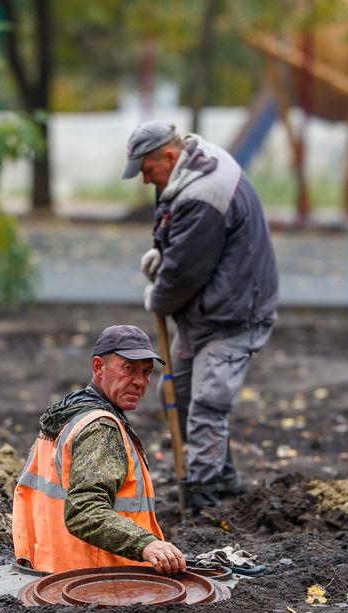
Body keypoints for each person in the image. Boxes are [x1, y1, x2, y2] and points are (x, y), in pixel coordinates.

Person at [123, 121, 279, 514]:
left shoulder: (203, 193)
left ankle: (204, 498)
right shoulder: (191, 166)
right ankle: (222, 476)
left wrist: (159, 296)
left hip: (234, 313)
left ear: (169, 155)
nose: (145, 179)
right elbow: (183, 239)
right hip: (210, 308)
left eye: (147, 169)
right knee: (177, 394)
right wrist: (164, 251)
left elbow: (184, 274)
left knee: (208, 402)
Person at [12, 324, 186, 576]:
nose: (140, 382)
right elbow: (85, 512)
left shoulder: (69, 415)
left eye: (146, 372)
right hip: (97, 578)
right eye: (129, 369)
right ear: (98, 367)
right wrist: (147, 544)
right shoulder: (100, 427)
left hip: (50, 570)